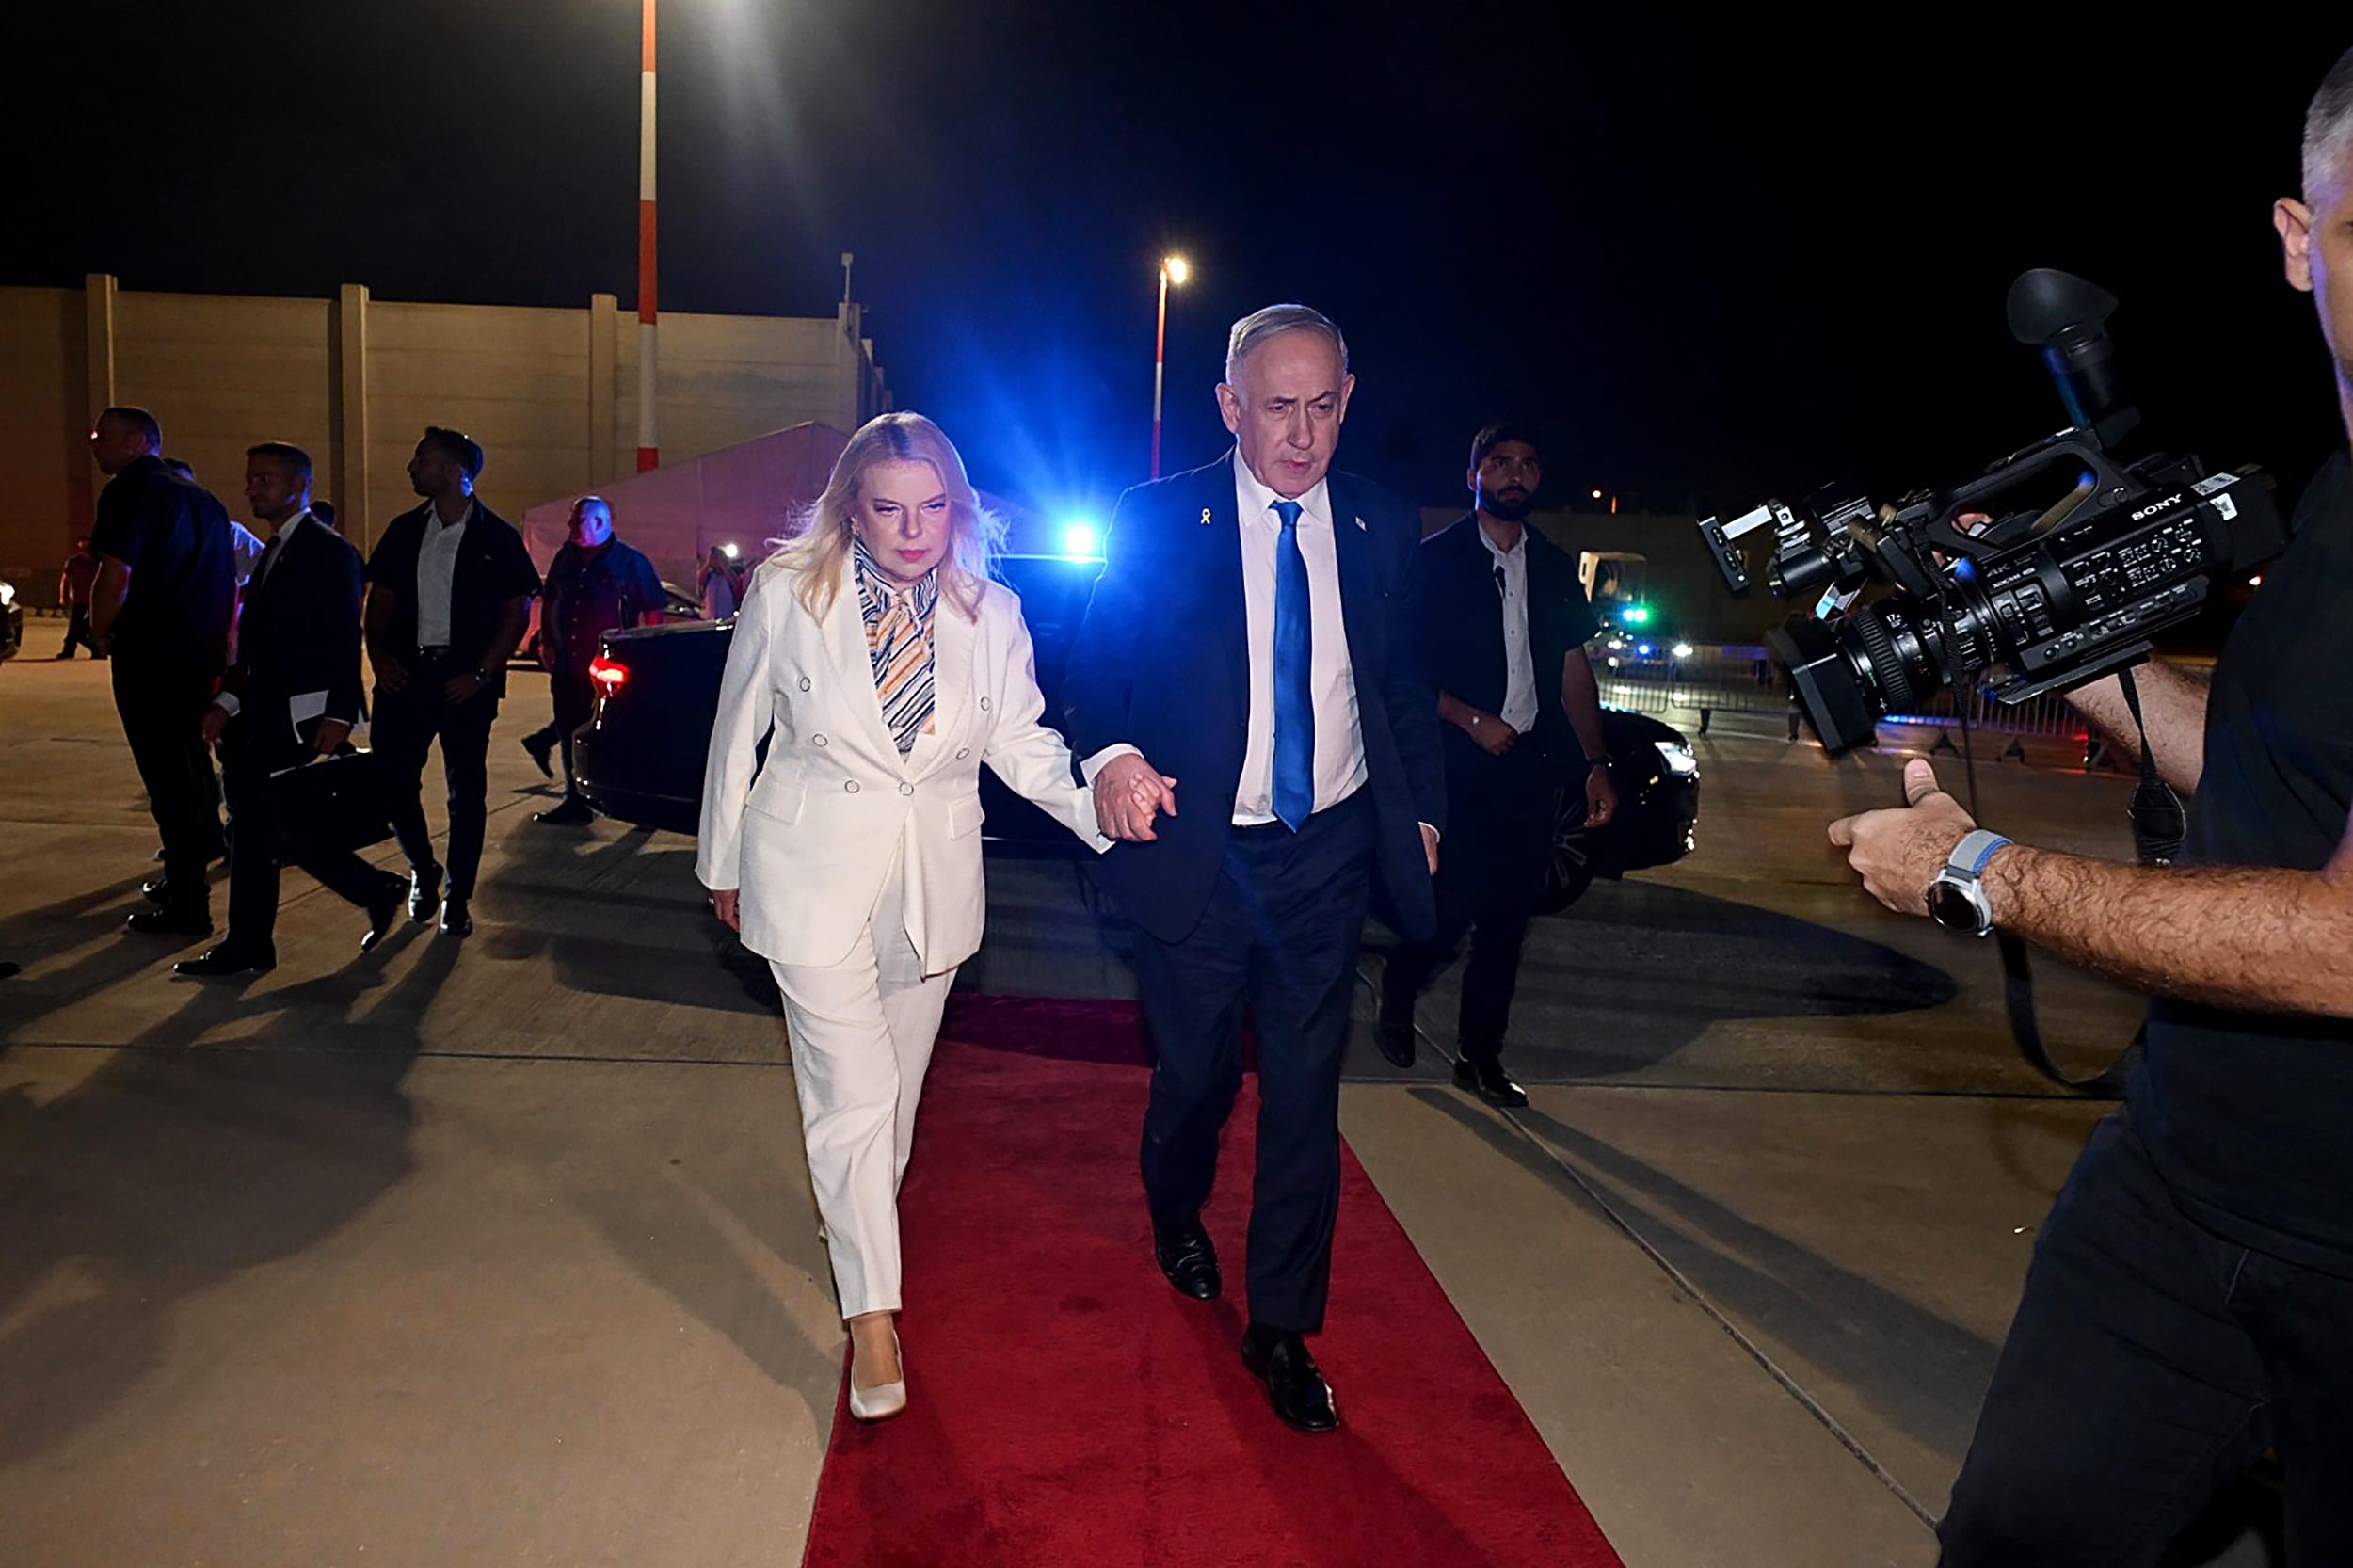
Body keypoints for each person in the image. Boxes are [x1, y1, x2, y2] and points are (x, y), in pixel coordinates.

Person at [1829, 46, 2353, 1564]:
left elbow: (2342, 942)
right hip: (2183, 1187)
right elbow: (2263, 770)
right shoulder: (2337, 498)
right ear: (2298, 241)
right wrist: (2055, 647)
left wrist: (1983, 868)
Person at [1060, 305, 1445, 1433]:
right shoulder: (1154, 520)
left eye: (1323, 405)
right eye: (1276, 406)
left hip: (1324, 850)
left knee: (1304, 1093)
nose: (1301, 432)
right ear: (1228, 407)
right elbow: (1089, 676)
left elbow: (1401, 691)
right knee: (1197, 1079)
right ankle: (1173, 1201)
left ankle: (1281, 1327)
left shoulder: (1378, 523)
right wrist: (1116, 759)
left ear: (1347, 397)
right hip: (1198, 849)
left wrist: (1417, 815)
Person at [697, 412, 1108, 1422]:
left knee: (894, 1103)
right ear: (852, 507)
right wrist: (719, 859)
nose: (912, 528)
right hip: (805, 868)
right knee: (852, 1092)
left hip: (931, 885)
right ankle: (872, 1316)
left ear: (956, 508)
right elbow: (736, 727)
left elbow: (1022, 742)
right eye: (888, 507)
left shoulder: (991, 611)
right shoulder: (788, 594)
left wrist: (1103, 801)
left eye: (932, 507)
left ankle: (853, 1232)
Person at [1377, 424, 1618, 1106]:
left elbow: (1574, 671)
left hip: (1528, 769)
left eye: (1529, 464)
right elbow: (1400, 672)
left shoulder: (1553, 565)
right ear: (1474, 473)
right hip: (1454, 762)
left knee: (1510, 920)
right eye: (1501, 462)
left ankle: (1480, 1057)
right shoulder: (1433, 562)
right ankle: (1400, 986)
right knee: (1449, 912)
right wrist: (1467, 718)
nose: (1516, 474)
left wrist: (1594, 763)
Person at [177, 443, 407, 978]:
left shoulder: (327, 552)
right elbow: (258, 647)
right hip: (261, 713)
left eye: (265, 479)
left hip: (297, 716)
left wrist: (339, 712)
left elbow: (339, 637)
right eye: (250, 478)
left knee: (267, 826)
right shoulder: (274, 551)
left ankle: (253, 942)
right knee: (265, 829)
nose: (253, 488)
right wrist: (227, 701)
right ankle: (364, 891)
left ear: (298, 486)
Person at [362, 426, 540, 938]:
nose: (412, 466)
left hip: (467, 680)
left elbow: (516, 612)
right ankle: (422, 866)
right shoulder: (404, 530)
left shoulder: (496, 537)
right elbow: (381, 601)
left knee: (467, 793)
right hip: (406, 676)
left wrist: (483, 671)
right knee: (393, 782)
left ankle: (457, 896)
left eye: (423, 458)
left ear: (455, 471)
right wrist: (380, 656)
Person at [88, 407, 235, 938]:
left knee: (166, 776)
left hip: (150, 655)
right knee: (191, 765)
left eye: (101, 437)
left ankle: (187, 903)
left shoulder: (130, 492)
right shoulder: (205, 501)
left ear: (135, 442)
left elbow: (115, 575)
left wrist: (100, 630)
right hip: (197, 657)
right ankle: (192, 872)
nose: (95, 446)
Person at [521, 496, 665, 824]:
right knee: (570, 729)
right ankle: (576, 800)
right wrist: (546, 640)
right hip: (568, 667)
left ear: (600, 524)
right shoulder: (565, 559)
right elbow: (552, 601)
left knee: (625, 734)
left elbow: (651, 610)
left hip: (612, 670)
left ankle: (639, 802)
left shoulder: (629, 563)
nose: (571, 527)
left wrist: (645, 656)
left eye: (577, 522)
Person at [56, 538, 102, 659]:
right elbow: (65, 580)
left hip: (95, 600)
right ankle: (70, 650)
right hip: (79, 600)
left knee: (84, 628)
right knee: (74, 628)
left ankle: (96, 649)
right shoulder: (74, 562)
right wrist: (63, 597)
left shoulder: (98, 562)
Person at [697, 544, 743, 620]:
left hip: (727, 615)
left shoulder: (730, 572)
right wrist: (708, 563)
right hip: (710, 617)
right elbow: (700, 581)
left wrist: (722, 565)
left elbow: (735, 585)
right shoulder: (709, 575)